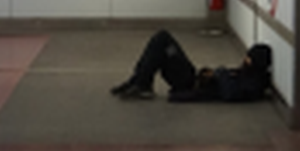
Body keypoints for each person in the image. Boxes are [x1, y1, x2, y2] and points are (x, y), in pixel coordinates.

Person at [110, 29, 271, 102]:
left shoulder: (253, 84)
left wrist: (218, 73)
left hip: (188, 83)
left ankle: (141, 83)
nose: (245, 59)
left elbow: (229, 92)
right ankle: (138, 81)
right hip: (192, 77)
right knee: (162, 41)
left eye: (248, 58)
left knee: (163, 39)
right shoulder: (249, 75)